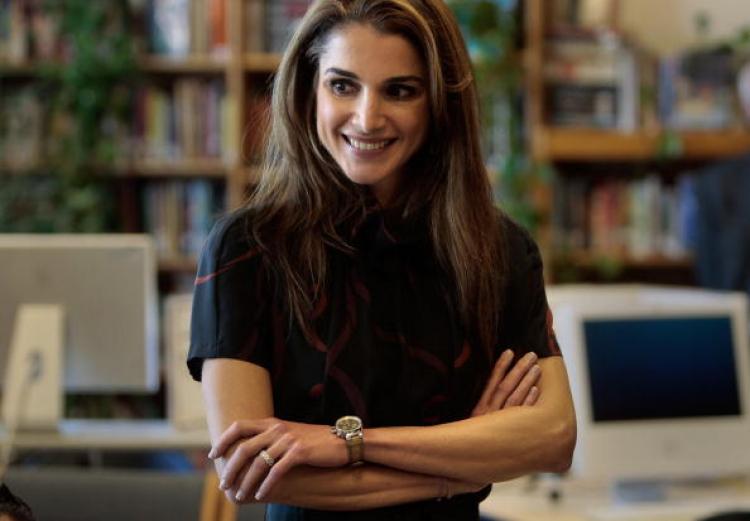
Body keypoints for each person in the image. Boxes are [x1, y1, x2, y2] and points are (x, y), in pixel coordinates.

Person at [187, 0, 576, 519]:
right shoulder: (248, 248)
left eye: (400, 90)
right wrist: (463, 463)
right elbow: (248, 473)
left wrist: (347, 445)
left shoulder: (499, 250)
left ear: (440, 102)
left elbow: (553, 439)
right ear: (309, 91)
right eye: (342, 85)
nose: (367, 118)